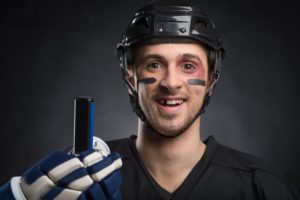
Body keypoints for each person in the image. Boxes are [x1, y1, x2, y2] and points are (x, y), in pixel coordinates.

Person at [0, 0, 299, 199]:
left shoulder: (263, 186)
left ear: (211, 78)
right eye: (154, 64)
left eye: (188, 66)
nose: (170, 82)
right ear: (130, 76)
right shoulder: (79, 176)